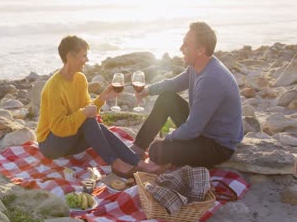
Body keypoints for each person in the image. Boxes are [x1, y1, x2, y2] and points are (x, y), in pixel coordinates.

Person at [131, 22, 243, 168]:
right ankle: (138, 148)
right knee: (167, 98)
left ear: (201, 50)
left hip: (217, 145)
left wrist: (166, 140)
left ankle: (161, 157)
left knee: (156, 151)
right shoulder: (198, 66)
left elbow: (192, 129)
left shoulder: (211, 80)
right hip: (203, 129)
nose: (181, 49)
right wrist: (148, 90)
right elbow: (174, 84)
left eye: (186, 45)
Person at [36, 35, 146, 177]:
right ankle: (116, 163)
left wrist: (102, 98)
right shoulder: (54, 87)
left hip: (72, 140)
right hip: (51, 145)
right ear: (69, 56)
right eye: (84, 56)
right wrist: (84, 113)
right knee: (88, 120)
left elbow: (88, 110)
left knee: (94, 126)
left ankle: (138, 162)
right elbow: (59, 128)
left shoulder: (80, 79)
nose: (87, 60)